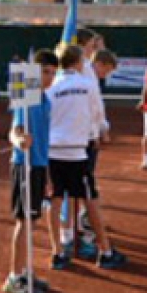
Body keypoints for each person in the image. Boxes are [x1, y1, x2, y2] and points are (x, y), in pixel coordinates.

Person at [47, 45, 126, 270]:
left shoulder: (51, 87)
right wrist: (101, 132)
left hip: (54, 152)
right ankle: (105, 251)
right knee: (90, 201)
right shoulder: (88, 85)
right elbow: (98, 116)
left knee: (55, 201)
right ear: (78, 62)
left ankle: (58, 251)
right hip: (77, 153)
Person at [3, 49, 58, 293]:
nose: (50, 78)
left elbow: (44, 142)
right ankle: (14, 278)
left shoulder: (46, 100)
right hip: (23, 165)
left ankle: (24, 271)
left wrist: (46, 174)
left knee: (31, 221)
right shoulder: (27, 94)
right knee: (24, 222)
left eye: (54, 73)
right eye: (46, 72)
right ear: (35, 73)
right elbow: (14, 130)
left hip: (38, 166)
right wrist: (19, 140)